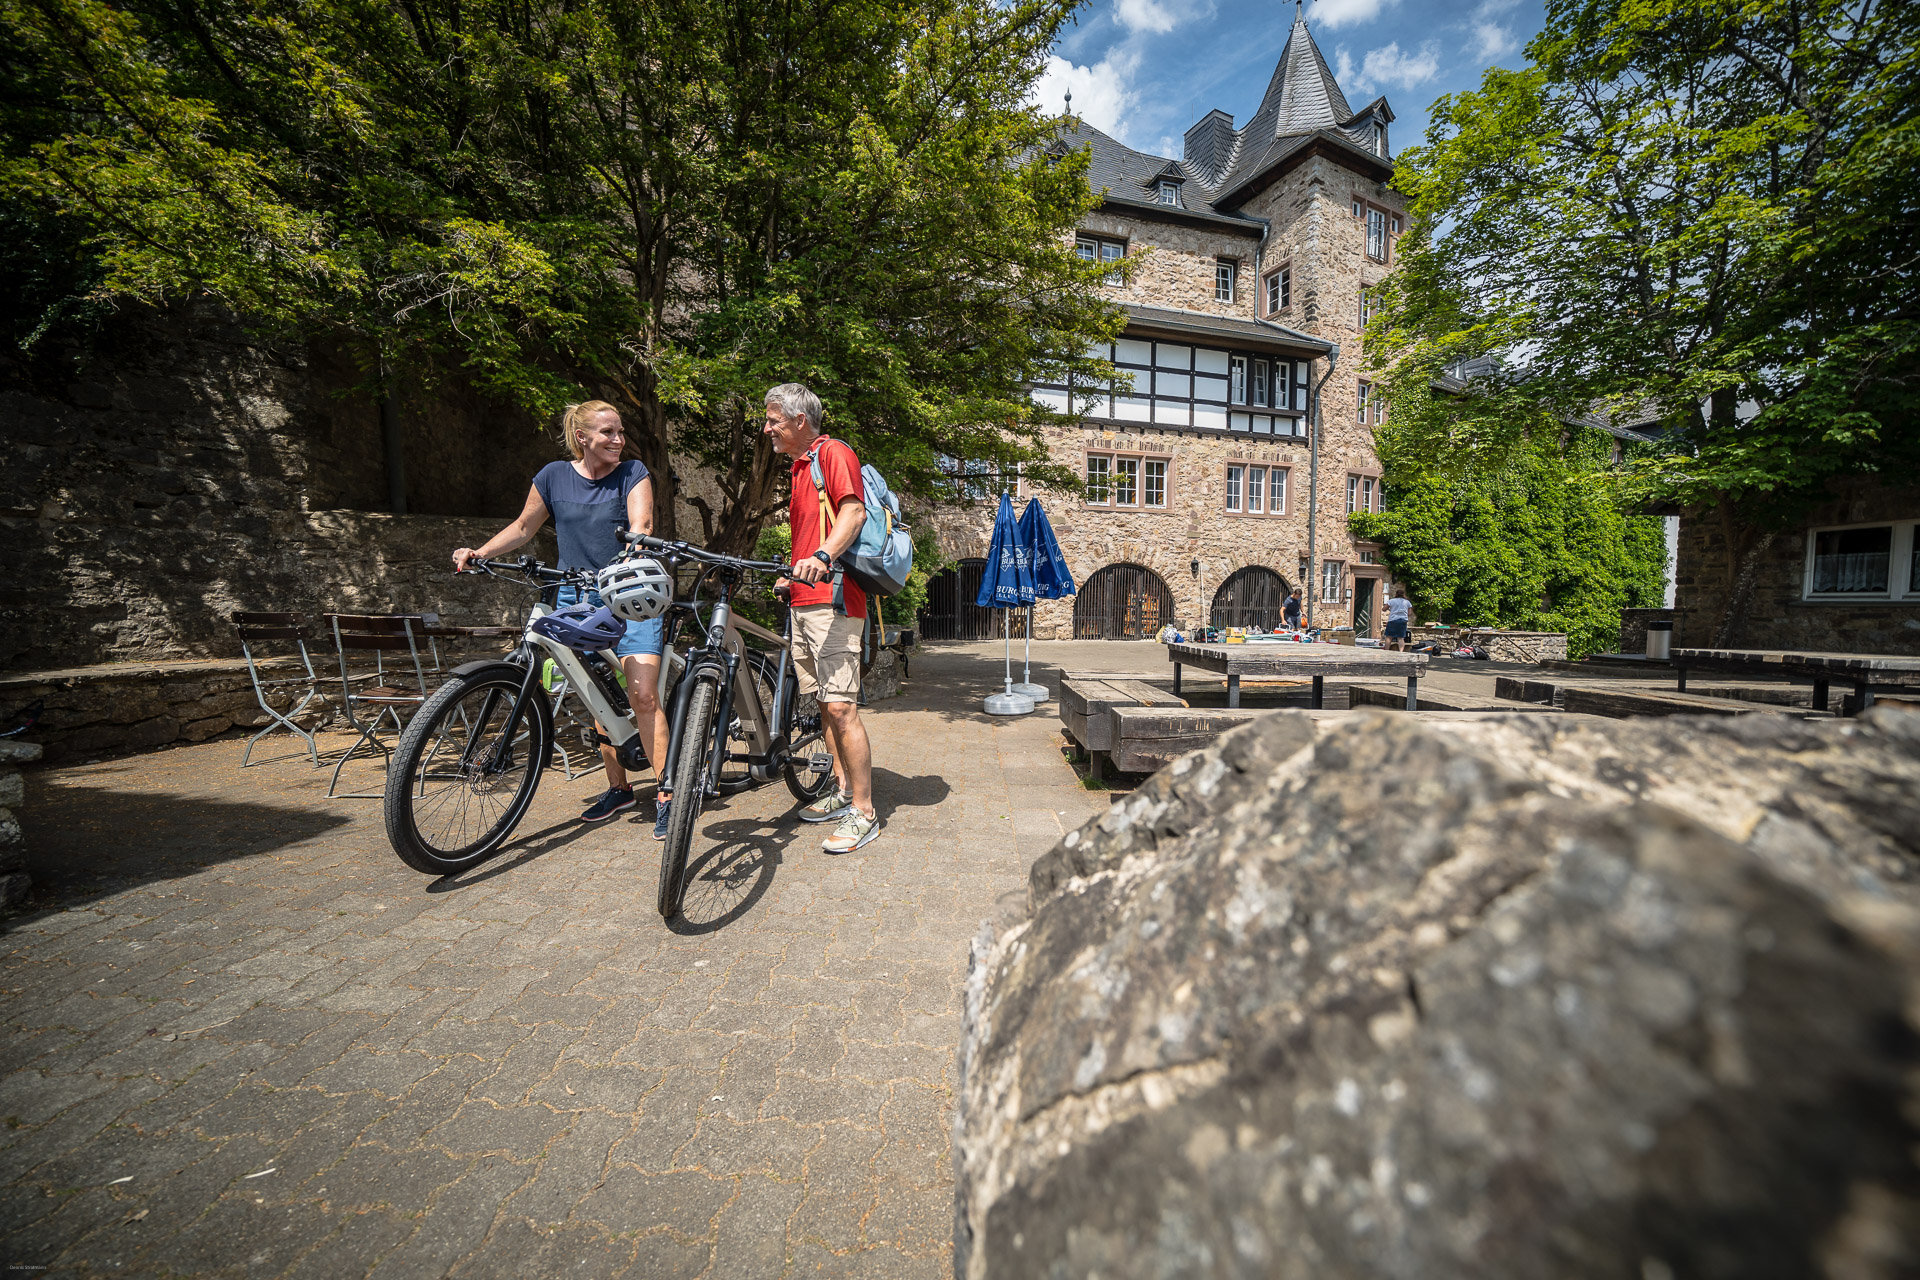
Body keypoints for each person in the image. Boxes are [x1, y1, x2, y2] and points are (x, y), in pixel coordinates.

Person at [451, 401, 674, 835]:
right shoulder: (553, 476)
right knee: (595, 693)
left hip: (629, 591)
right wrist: (481, 552)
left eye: (620, 432)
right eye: (608, 432)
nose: (618, 440)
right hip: (573, 595)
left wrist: (632, 553)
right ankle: (619, 788)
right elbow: (523, 527)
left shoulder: (633, 473)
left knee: (643, 696)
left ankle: (668, 792)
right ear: (581, 437)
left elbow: (641, 525)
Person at [762, 383, 880, 854]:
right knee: (824, 706)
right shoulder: (800, 468)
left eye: (773, 420)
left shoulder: (833, 453)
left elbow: (853, 512)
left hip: (835, 602)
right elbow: (811, 532)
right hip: (804, 602)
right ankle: (842, 789)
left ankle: (864, 813)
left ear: (799, 421)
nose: (767, 428)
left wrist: (823, 556)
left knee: (842, 707)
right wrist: (792, 575)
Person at [1384, 585, 1413, 651]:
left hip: (1393, 620)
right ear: (1403, 595)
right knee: (1401, 638)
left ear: (1396, 594)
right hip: (1403, 620)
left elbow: (1384, 609)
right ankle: (1401, 652)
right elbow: (1409, 613)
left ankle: (1386, 650)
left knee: (1389, 637)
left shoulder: (1391, 601)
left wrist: (1391, 608)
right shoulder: (1407, 602)